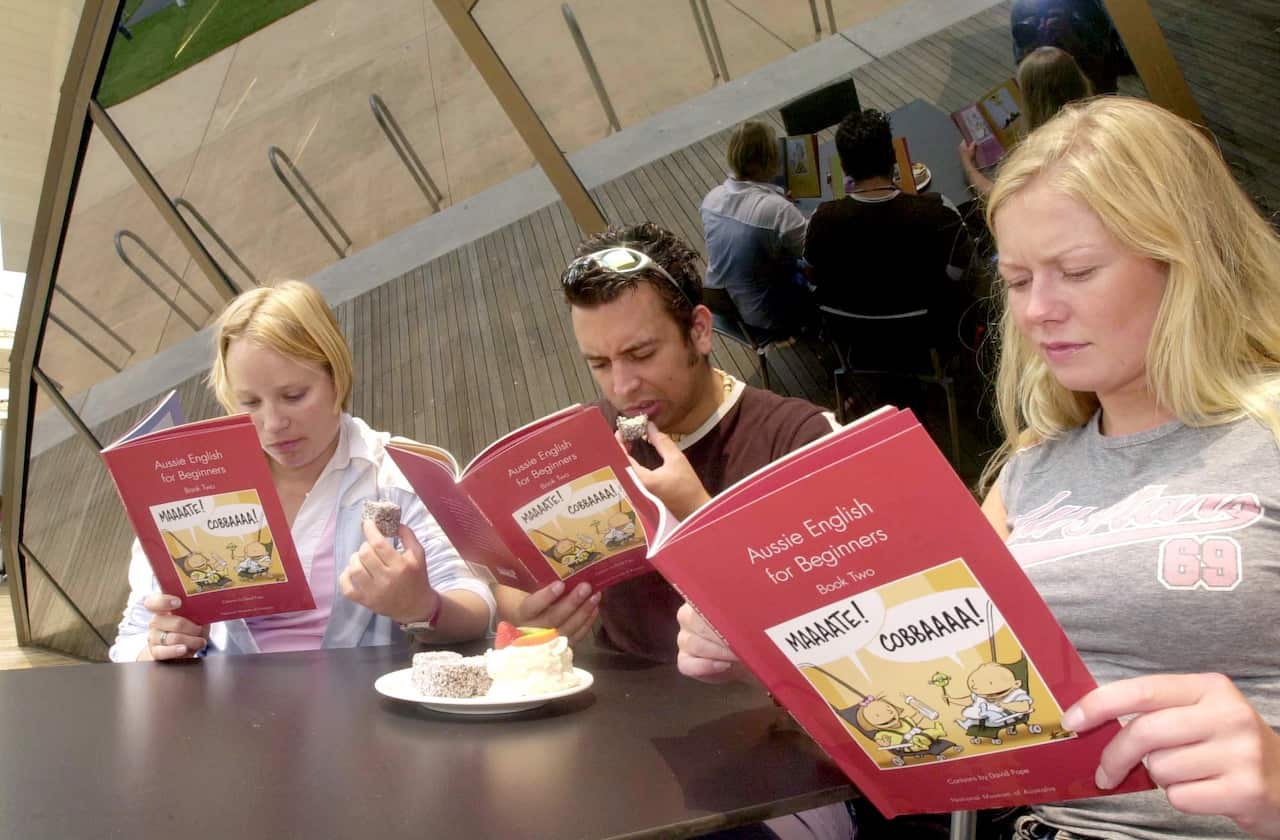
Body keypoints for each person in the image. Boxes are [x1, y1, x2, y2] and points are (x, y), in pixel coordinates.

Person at [685, 96, 1280, 839]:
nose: (1036, 313)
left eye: (1075, 270)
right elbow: (917, 675)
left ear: (1187, 260)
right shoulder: (1031, 468)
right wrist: (760, 644)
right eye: (1021, 280)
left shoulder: (1265, 434)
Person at [495, 222, 853, 839]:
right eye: (599, 364)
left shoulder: (796, 439)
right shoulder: (587, 453)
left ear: (700, 331)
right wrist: (531, 607)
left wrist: (696, 514)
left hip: (775, 752)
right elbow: (506, 593)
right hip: (625, 733)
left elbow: (850, 638)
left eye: (640, 355)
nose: (622, 388)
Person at [109, 281, 495, 661]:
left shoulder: (393, 474)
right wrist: (159, 647)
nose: (273, 423)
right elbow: (131, 639)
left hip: (363, 709)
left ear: (336, 377)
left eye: (293, 396)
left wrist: (422, 606)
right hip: (227, 713)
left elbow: (477, 604)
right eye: (249, 402)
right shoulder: (191, 485)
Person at [803, 108, 974, 340]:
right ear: (894, 156)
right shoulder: (939, 211)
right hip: (926, 331)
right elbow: (958, 270)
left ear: (843, 167)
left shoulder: (821, 219)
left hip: (855, 333)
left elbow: (813, 275)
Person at [700, 121, 814, 335]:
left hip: (728, 304)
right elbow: (816, 251)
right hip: (770, 314)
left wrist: (777, 199)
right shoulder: (776, 211)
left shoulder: (711, 200)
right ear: (765, 162)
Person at [959, 46, 1093, 198]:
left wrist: (969, 166)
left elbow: (1002, 199)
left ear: (1033, 100)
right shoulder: (1101, 118)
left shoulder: (1042, 156)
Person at [1010, 0, 1133, 95]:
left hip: (1094, 89)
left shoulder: (1085, 5)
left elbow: (1104, 62)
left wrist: (1068, 36)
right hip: (1052, 91)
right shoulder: (1022, 7)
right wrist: (1037, 48)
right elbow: (1022, 63)